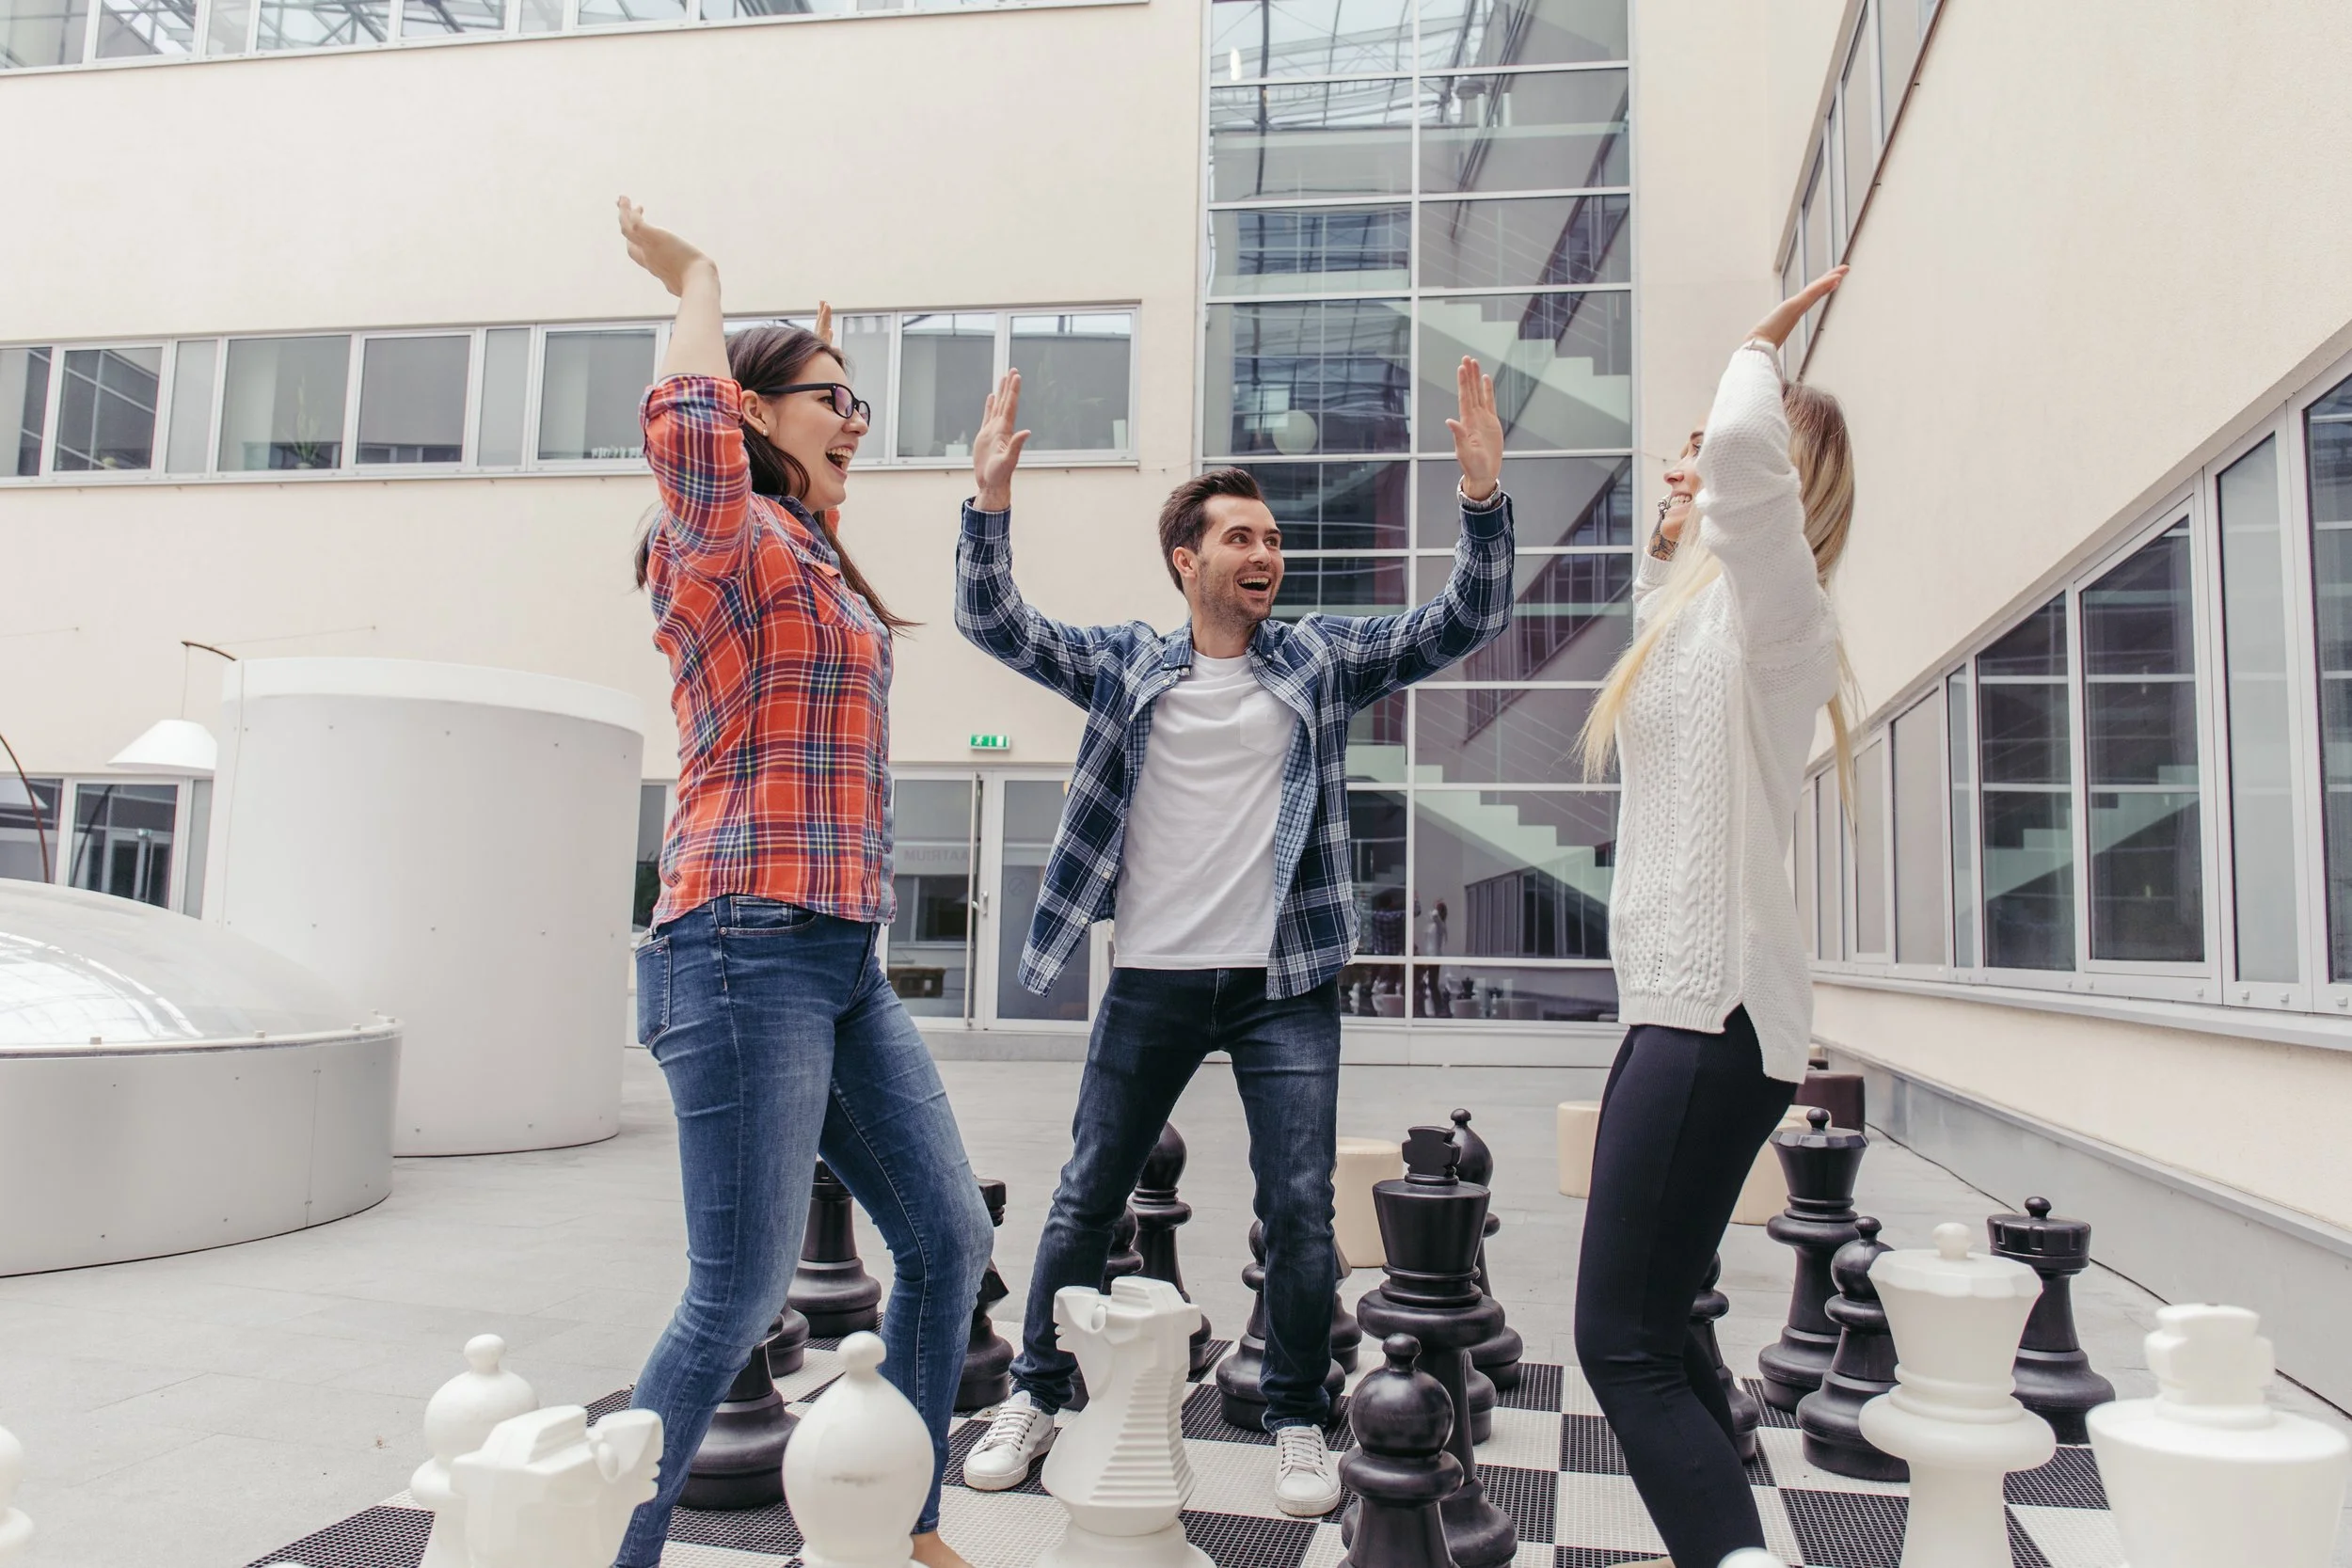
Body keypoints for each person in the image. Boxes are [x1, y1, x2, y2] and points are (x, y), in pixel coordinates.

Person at [952, 358, 1514, 1515]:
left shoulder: (1315, 659)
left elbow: (1464, 616)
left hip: (1281, 979)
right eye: (1241, 538)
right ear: (1187, 559)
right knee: (1083, 1198)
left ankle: (1297, 1409)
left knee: (1298, 1204)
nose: (1267, 554)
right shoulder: (1125, 664)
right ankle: (1039, 1387)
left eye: (1273, 538)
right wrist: (990, 505)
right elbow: (992, 619)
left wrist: (1480, 500)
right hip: (1152, 975)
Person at [612, 198, 992, 1568]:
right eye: (836, 400)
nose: (859, 423)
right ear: (759, 417)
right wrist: (704, 284)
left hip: (837, 954)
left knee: (949, 1238)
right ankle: (616, 1546)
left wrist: (810, 421)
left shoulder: (815, 558)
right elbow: (689, 440)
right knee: (737, 1292)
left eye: (864, 403)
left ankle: (912, 1520)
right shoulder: (718, 545)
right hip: (736, 943)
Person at [1570, 265, 1857, 1568]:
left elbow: (1743, 446)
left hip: (1713, 1020)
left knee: (1617, 1342)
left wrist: (1753, 341)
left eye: (1700, 461)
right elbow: (1675, 597)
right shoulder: (1706, 627)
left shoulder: (1782, 617)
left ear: (1777, 494)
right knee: (1667, 1331)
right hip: (1678, 1019)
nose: (1683, 468)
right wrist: (1668, 536)